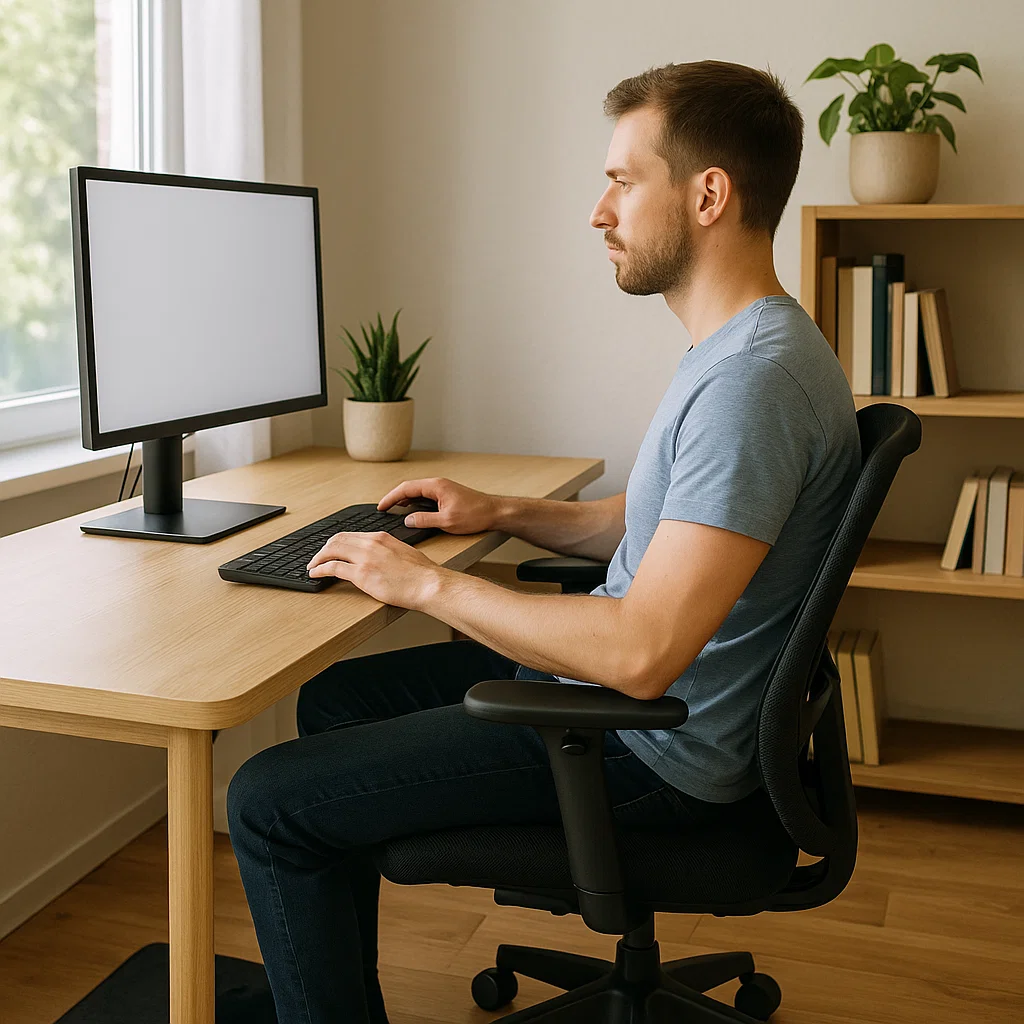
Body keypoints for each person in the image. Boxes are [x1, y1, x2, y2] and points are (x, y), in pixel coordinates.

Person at [227, 60, 860, 1023]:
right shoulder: (744, 347)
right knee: (337, 703)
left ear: (708, 195)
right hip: (650, 711)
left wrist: (425, 588)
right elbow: (656, 529)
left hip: (652, 749)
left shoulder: (751, 384)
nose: (598, 211)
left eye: (621, 179)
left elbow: (644, 655)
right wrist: (504, 512)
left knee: (269, 800)